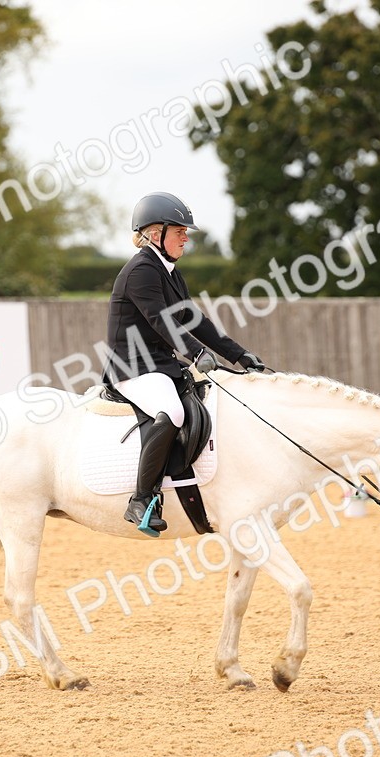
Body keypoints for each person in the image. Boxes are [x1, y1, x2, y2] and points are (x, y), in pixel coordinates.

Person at [103, 191, 265, 535]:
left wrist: (239, 354)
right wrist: (196, 353)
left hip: (160, 364)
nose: (186, 238)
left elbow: (194, 320)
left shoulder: (171, 274)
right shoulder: (141, 271)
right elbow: (162, 320)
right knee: (173, 412)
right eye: (179, 232)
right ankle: (141, 499)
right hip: (132, 368)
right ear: (154, 233)